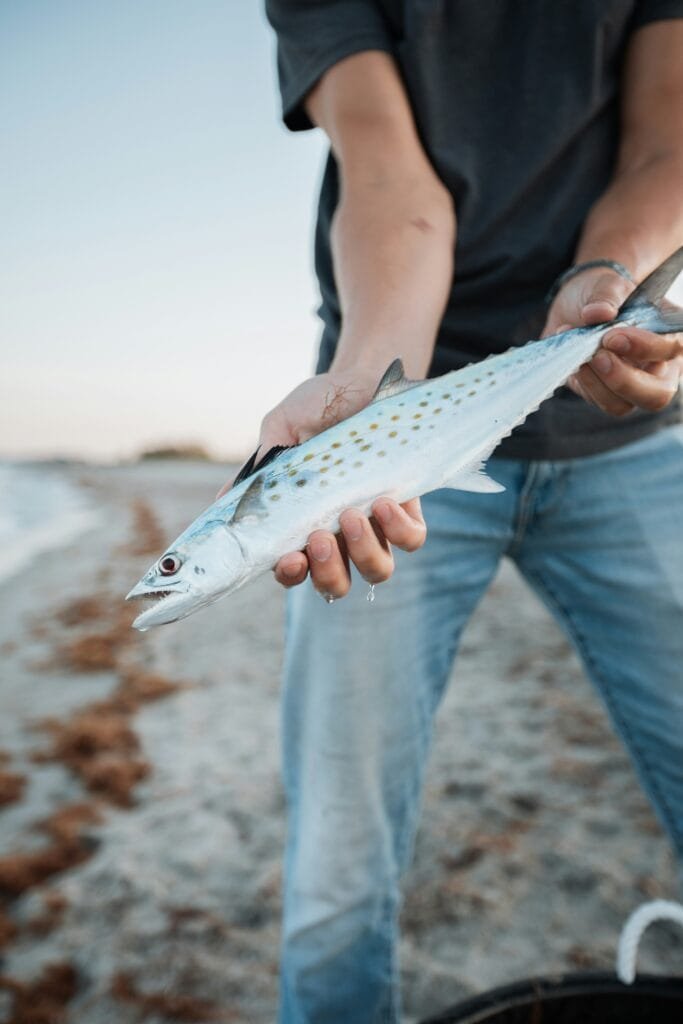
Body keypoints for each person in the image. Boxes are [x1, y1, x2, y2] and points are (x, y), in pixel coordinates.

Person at [250, 4, 683, 1021]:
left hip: (620, 436)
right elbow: (395, 192)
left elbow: (666, 137)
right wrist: (367, 392)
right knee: (335, 864)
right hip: (394, 440)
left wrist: (603, 281)